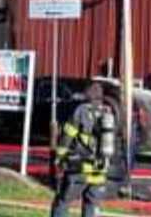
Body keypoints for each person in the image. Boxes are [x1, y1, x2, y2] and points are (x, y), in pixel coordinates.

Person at [51, 81, 116, 217]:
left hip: (80, 168)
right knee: (91, 205)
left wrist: (59, 157)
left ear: (88, 94)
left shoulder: (81, 110)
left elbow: (68, 136)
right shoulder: (108, 112)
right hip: (100, 170)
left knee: (62, 201)